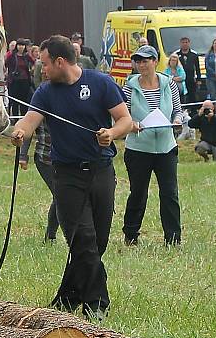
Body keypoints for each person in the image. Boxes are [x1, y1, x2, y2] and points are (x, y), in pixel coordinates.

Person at [11, 35, 133, 320]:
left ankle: (68, 296)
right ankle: (97, 305)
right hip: (66, 175)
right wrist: (19, 132)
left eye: (44, 64)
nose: (41, 69)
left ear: (60, 61)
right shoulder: (45, 92)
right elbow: (29, 121)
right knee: (83, 238)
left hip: (101, 171)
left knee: (96, 242)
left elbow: (125, 120)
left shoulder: (100, 83)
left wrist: (111, 134)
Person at [121, 45, 183, 247]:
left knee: (170, 193)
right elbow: (123, 115)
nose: (141, 64)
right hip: (139, 149)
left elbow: (178, 110)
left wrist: (178, 120)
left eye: (146, 60)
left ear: (155, 62)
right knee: (138, 193)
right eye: (138, 61)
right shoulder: (129, 87)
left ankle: (173, 238)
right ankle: (131, 234)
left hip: (166, 147)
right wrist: (132, 125)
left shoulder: (169, 84)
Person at [20, 119, 60, 244]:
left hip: (68, 160)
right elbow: (28, 128)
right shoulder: (41, 101)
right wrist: (22, 155)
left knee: (64, 196)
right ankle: (51, 236)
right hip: (45, 159)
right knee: (60, 195)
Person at [5, 38, 35, 122]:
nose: (21, 47)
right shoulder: (11, 56)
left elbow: (34, 63)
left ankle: (23, 119)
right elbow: (6, 65)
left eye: (22, 45)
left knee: (23, 102)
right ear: (16, 46)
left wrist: (31, 69)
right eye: (19, 45)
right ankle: (15, 120)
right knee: (14, 101)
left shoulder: (26, 56)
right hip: (14, 81)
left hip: (25, 81)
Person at [176, 37, 202, 107]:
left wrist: (199, 79)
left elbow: (197, 68)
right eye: (183, 42)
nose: (185, 44)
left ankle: (193, 112)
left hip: (191, 79)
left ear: (189, 43)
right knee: (181, 97)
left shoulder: (194, 55)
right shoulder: (176, 54)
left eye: (186, 42)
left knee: (192, 96)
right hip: (180, 80)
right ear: (180, 44)